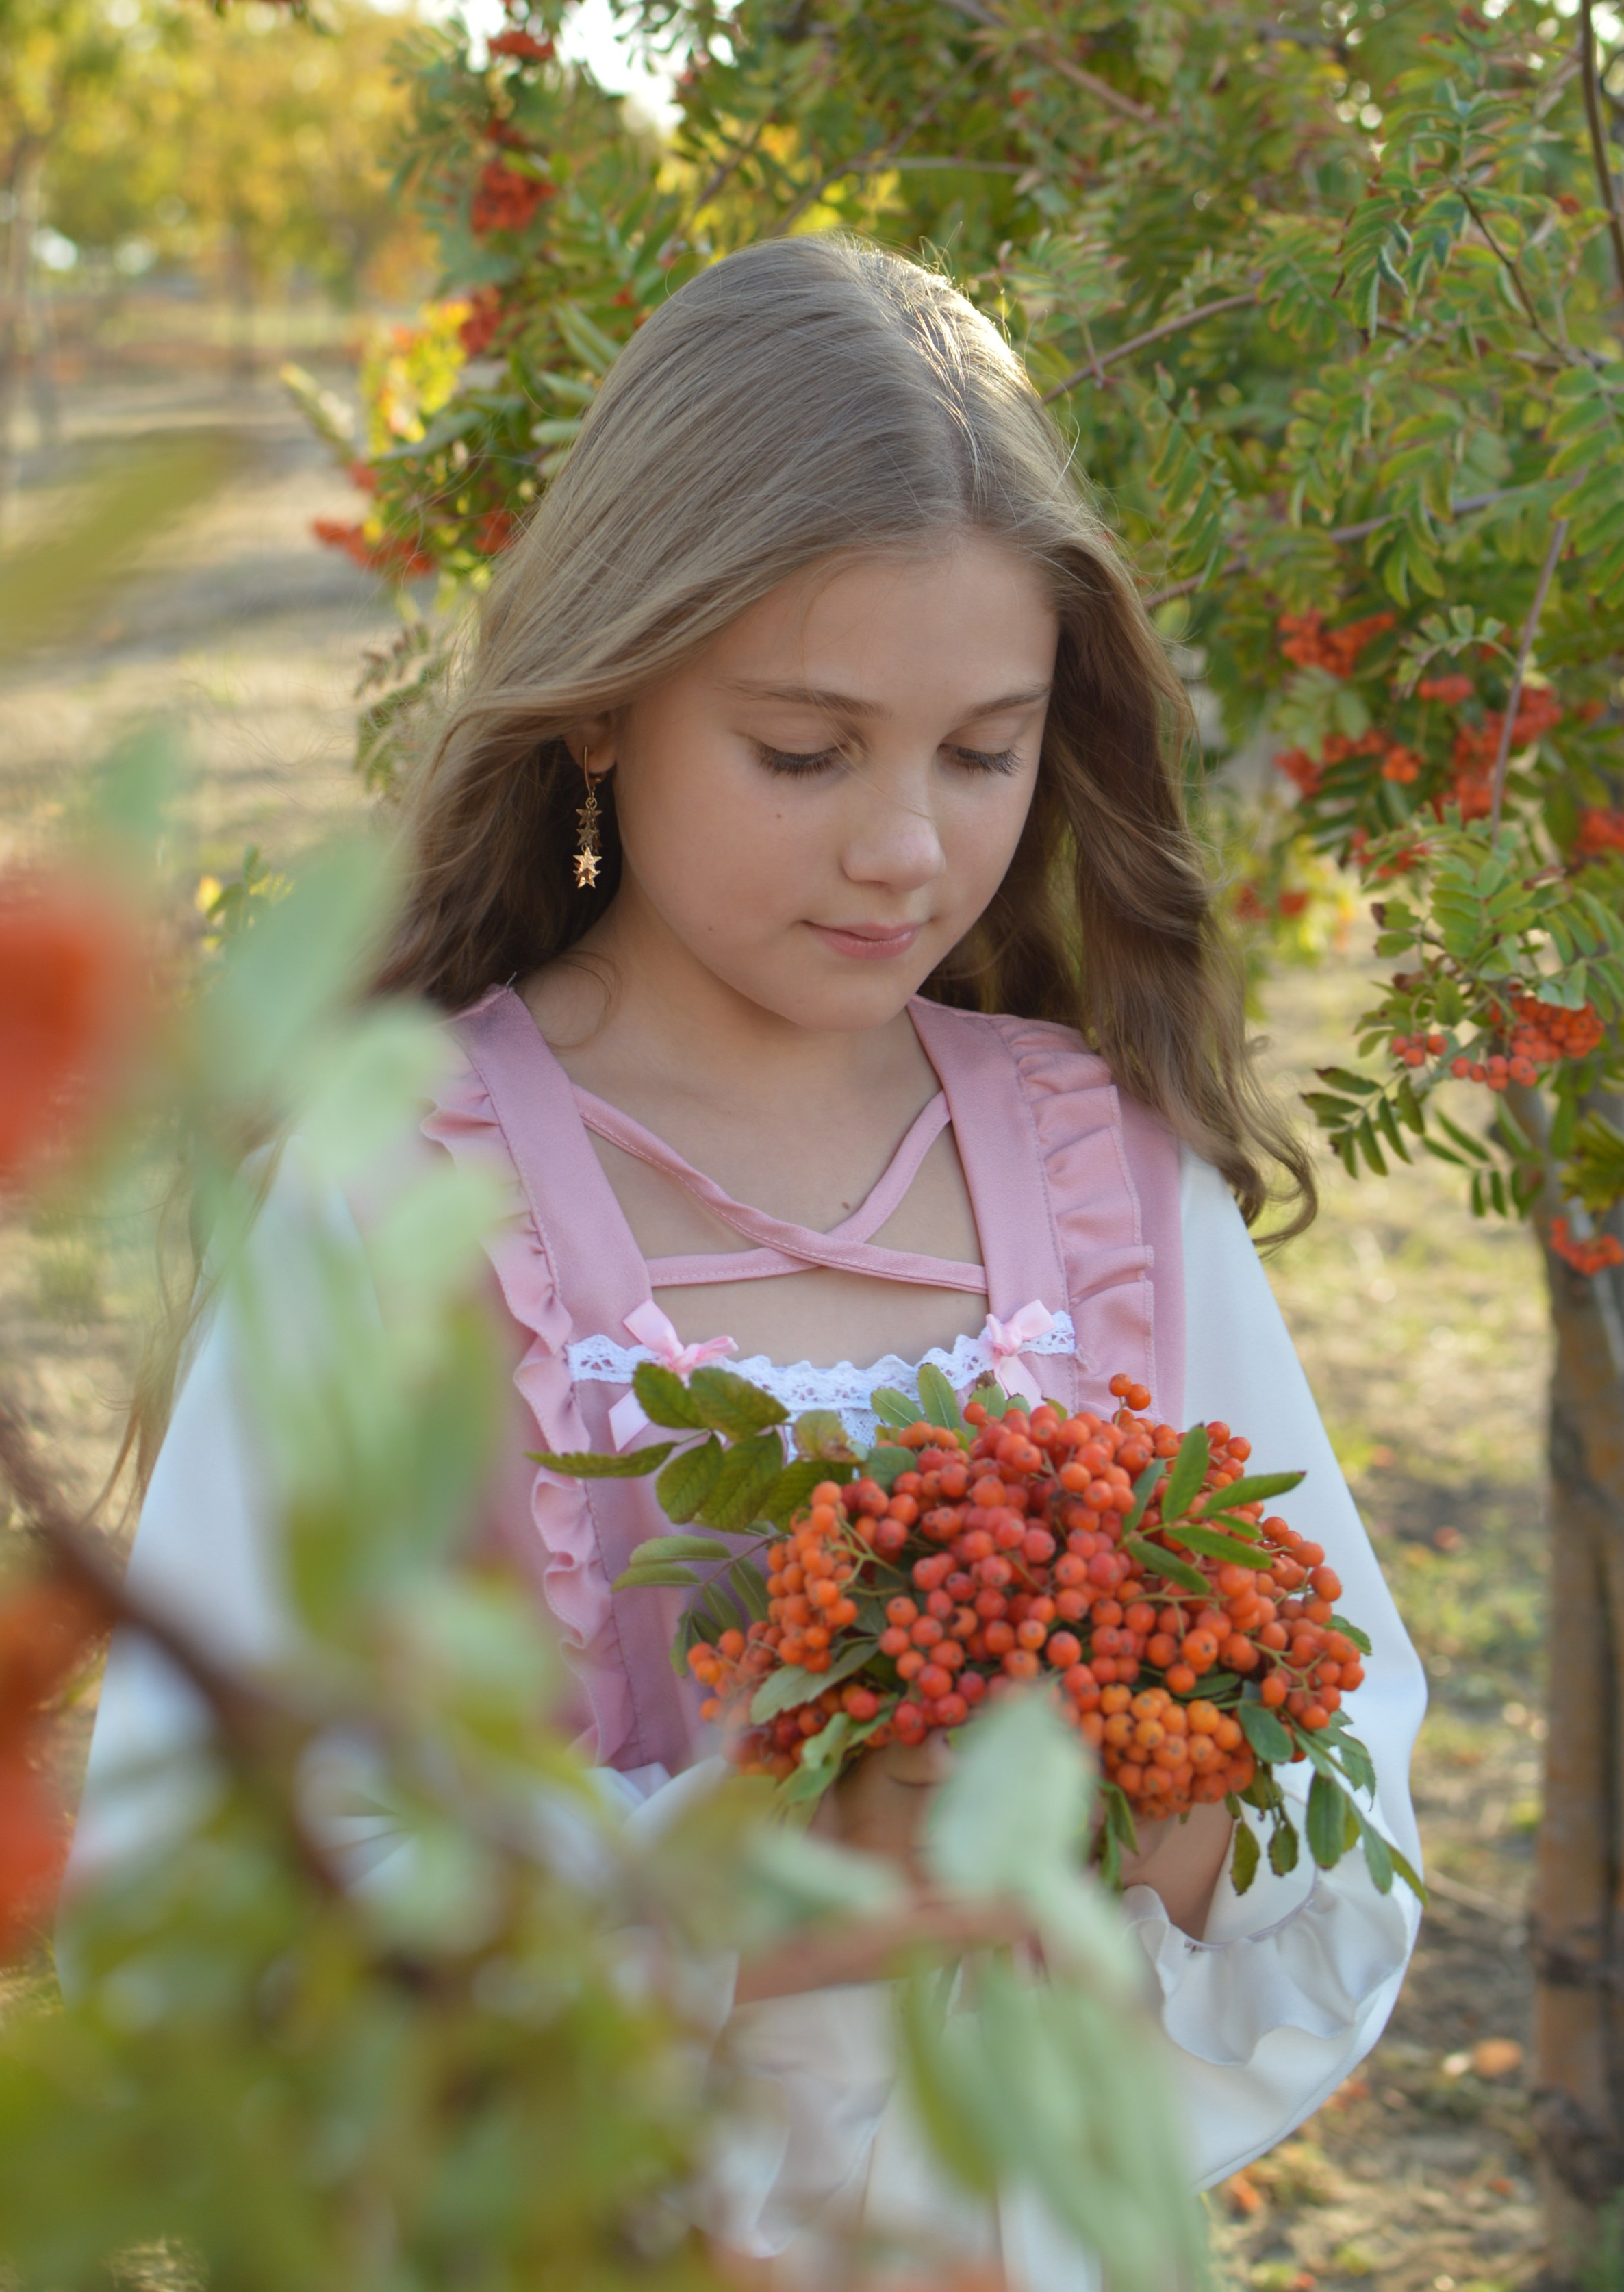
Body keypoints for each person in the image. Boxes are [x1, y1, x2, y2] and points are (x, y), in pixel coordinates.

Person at [74, 235, 1425, 2286]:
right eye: (808, 751)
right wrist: (736, 1872)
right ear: (606, 700)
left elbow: (1341, 1785)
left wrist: (1177, 1816)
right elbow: (214, 1877)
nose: (906, 847)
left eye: (986, 752)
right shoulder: (400, 1183)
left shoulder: (1104, 1173)